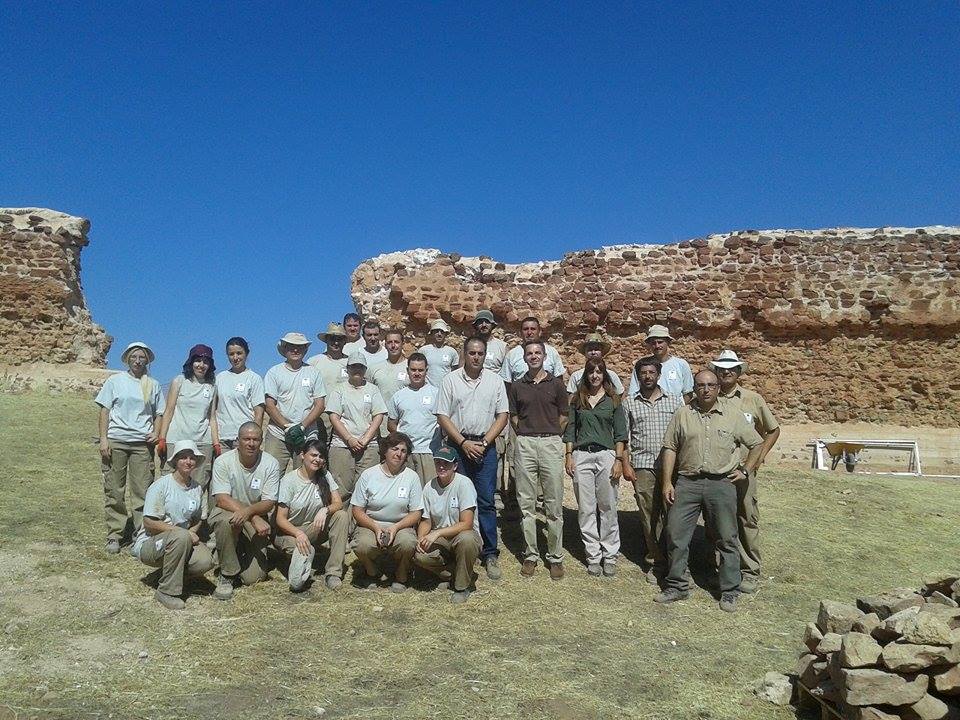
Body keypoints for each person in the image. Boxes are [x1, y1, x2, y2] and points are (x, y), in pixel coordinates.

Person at [655, 370, 763, 613]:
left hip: (721, 484)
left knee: (726, 537)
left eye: (711, 385)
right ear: (694, 387)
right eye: (701, 385)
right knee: (676, 534)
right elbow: (670, 447)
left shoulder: (733, 415)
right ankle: (677, 585)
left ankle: (729, 590)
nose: (706, 390)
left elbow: (756, 444)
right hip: (688, 482)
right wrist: (666, 483)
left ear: (717, 388)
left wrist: (745, 470)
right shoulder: (683, 414)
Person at [436, 336, 509, 580]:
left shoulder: (495, 381)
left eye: (480, 353)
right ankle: (458, 549)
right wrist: (463, 443)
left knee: (486, 501)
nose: (476, 357)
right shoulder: (450, 380)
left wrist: (485, 442)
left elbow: (502, 415)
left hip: (485, 446)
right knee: (458, 500)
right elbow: (443, 416)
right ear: (464, 354)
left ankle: (490, 553)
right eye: (471, 353)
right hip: (459, 446)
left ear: (485, 355)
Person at [710, 349, 781, 594]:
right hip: (718, 471)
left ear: (739, 371)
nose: (726, 371)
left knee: (746, 518)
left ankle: (750, 570)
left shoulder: (752, 399)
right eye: (721, 368)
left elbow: (772, 430)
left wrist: (758, 459)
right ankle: (724, 567)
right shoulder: (710, 396)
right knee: (719, 521)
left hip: (743, 470)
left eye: (731, 367)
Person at [96, 342, 165, 553]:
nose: (137, 361)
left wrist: (156, 432)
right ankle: (114, 535)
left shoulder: (152, 384)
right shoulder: (115, 381)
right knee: (114, 489)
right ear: (127, 358)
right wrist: (103, 439)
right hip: (116, 440)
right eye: (134, 357)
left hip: (141, 445)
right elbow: (104, 410)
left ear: (147, 360)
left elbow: (159, 413)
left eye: (142, 357)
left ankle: (140, 534)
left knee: (142, 491)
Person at [508, 340, 569, 580]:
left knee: (553, 503)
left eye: (537, 353)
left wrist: (551, 431)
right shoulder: (517, 386)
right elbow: (513, 416)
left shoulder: (556, 384)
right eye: (529, 353)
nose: (533, 357)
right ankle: (531, 554)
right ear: (524, 358)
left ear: (545, 356)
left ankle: (555, 557)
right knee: (526, 502)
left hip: (551, 442)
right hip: (525, 443)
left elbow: (564, 415)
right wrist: (526, 433)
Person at [621, 356, 685, 583]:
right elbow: (624, 437)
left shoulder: (675, 401)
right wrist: (625, 463)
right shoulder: (629, 402)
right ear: (638, 376)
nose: (647, 377)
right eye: (643, 373)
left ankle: (676, 561)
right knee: (648, 515)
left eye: (651, 373)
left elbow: (682, 435)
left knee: (673, 514)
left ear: (659, 375)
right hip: (643, 466)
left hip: (671, 466)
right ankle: (655, 561)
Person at [563, 358, 627, 577]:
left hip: (606, 455)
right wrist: (569, 455)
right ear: (586, 375)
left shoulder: (613, 400)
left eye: (599, 372)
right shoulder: (578, 400)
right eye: (591, 372)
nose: (595, 376)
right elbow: (570, 429)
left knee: (608, 505)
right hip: (582, 455)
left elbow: (620, 433)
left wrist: (619, 459)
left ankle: (610, 555)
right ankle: (593, 555)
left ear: (604, 375)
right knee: (586, 507)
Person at [133, 441, 214, 609]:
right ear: (175, 461)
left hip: (180, 540)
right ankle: (167, 591)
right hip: (152, 542)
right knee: (180, 537)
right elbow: (149, 522)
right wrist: (182, 532)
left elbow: (199, 517)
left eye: (192, 458)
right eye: (183, 457)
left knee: (205, 561)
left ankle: (165, 575)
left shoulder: (197, 489)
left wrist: (191, 531)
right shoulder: (161, 485)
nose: (188, 461)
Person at [208, 422, 281, 600]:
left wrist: (250, 514)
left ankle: (232, 550)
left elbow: (269, 502)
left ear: (261, 442)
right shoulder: (223, 461)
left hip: (255, 515)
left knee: (253, 578)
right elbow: (222, 499)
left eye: (255, 439)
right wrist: (252, 516)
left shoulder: (270, 463)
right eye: (246, 439)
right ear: (237, 441)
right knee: (227, 521)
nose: (251, 443)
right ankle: (227, 574)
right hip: (228, 512)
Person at [273, 439, 349, 592]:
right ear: (302, 455)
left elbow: (338, 503)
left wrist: (325, 510)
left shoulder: (324, 476)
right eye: (313, 455)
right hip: (290, 532)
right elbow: (280, 519)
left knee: (341, 515)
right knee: (296, 583)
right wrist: (298, 533)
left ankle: (333, 573)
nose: (317, 460)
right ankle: (302, 554)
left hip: (313, 528)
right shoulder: (289, 481)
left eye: (321, 456)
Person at [351, 432, 423, 592]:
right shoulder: (368, 475)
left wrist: (396, 528)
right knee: (361, 545)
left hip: (401, 525)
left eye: (403, 451)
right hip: (371, 524)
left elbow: (416, 513)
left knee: (407, 543)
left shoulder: (412, 477)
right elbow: (357, 510)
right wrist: (375, 527)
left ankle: (402, 573)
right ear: (385, 450)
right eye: (394, 448)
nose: (399, 454)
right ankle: (371, 571)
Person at [414, 445, 481, 604]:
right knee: (419, 554)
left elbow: (467, 523)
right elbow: (426, 520)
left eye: (446, 464)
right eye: (438, 463)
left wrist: (436, 533)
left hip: (462, 534)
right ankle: (450, 573)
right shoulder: (429, 486)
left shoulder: (464, 484)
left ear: (455, 466)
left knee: (467, 539)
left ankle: (461, 587)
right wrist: (421, 537)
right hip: (443, 538)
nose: (441, 467)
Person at [158, 344, 218, 498]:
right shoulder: (179, 381)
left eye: (206, 361)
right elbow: (169, 410)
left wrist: (216, 443)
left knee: (198, 485)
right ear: (191, 362)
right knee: (171, 483)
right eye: (197, 360)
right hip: (177, 439)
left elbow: (211, 417)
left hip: (202, 441)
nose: (201, 365)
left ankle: (195, 520)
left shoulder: (212, 386)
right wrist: (162, 438)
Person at [263, 332, 327, 472]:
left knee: (306, 476)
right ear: (285, 348)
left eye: (300, 347)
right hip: (278, 433)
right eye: (292, 346)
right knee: (271, 473)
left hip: (307, 433)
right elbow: (270, 405)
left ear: (305, 349)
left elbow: (320, 404)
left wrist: (302, 427)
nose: (296, 350)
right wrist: (287, 427)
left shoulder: (313, 372)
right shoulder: (274, 372)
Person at [326, 352, 387, 498]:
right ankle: (341, 520)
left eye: (360, 367)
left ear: (365, 369)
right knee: (341, 489)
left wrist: (365, 439)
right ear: (347, 369)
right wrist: (349, 439)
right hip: (342, 445)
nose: (357, 370)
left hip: (368, 446)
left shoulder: (373, 389)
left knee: (366, 489)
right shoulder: (339, 389)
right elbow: (334, 416)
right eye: (353, 367)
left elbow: (378, 415)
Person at [473, 310, 511, 510]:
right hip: (476, 401)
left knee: (497, 449)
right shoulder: (471, 346)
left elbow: (506, 377)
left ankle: (497, 491)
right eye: (479, 323)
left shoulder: (502, 347)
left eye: (486, 322)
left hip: (495, 400)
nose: (483, 326)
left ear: (493, 325)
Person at [388, 353, 440, 484]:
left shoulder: (437, 394)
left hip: (429, 452)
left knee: (429, 492)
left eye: (420, 370)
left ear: (426, 371)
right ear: (407, 370)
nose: (417, 373)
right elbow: (391, 424)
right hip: (406, 454)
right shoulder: (398, 396)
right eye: (413, 370)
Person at [214, 337, 265, 451]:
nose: (235, 358)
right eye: (231, 354)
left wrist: (254, 437)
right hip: (222, 438)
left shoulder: (254, 378)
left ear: (246, 354)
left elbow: (259, 413)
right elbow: (213, 409)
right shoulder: (220, 378)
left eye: (239, 353)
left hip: (244, 438)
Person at [307, 322, 350, 445]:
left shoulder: (351, 363)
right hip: (321, 415)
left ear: (344, 341)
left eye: (339, 339)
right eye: (332, 339)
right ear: (326, 340)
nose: (336, 343)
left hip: (345, 416)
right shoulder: (314, 362)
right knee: (320, 450)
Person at [626, 325, 694, 401]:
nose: (657, 346)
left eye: (660, 342)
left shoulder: (681, 364)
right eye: (653, 343)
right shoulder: (642, 365)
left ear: (668, 343)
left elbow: (688, 392)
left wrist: (679, 408)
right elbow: (633, 392)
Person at [367, 329, 409, 439]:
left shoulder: (411, 369)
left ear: (402, 344)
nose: (393, 346)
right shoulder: (374, 369)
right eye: (390, 342)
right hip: (379, 428)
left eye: (396, 342)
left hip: (403, 428)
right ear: (385, 344)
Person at [500, 316, 566, 382]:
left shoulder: (551, 352)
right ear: (520, 333)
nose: (529, 332)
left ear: (539, 332)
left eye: (533, 329)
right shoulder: (512, 355)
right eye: (525, 329)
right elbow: (506, 383)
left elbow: (559, 379)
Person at [418, 319, 460, 388]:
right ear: (432, 333)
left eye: (442, 332)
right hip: (427, 390)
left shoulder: (452, 352)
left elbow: (455, 373)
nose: (439, 334)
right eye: (436, 331)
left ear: (446, 334)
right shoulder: (423, 351)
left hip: (446, 389)